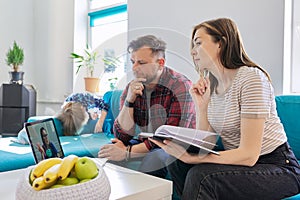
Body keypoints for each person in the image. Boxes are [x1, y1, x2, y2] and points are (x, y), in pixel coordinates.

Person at [150, 18, 300, 199]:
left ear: (220, 43)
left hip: (277, 166)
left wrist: (195, 159)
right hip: (240, 163)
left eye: (198, 43)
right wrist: (202, 106)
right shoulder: (211, 85)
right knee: (177, 164)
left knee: (201, 176)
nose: (192, 51)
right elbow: (206, 143)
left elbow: (249, 155)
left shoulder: (251, 78)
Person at [98, 35, 196, 178]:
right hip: (148, 141)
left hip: (177, 145)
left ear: (160, 63)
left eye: (141, 63)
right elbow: (121, 135)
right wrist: (129, 101)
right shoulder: (132, 87)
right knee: (109, 152)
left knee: (155, 159)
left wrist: (127, 153)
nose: (134, 68)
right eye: (132, 62)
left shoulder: (180, 85)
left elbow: (169, 137)